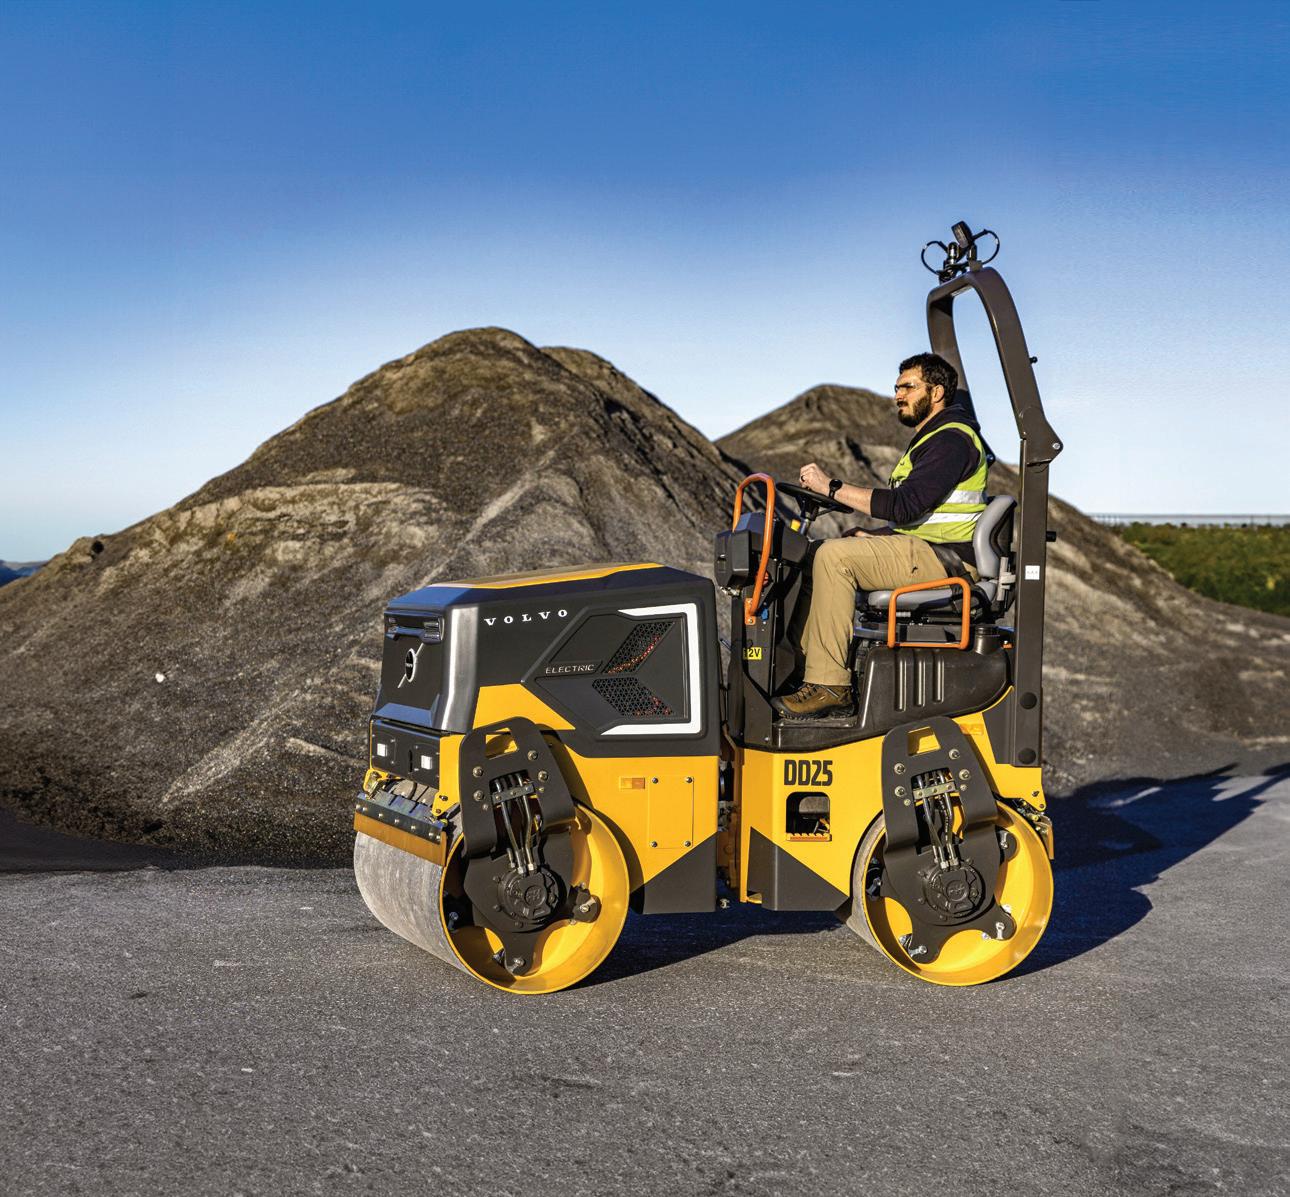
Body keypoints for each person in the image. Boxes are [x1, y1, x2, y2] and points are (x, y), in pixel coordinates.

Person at [773, 352, 990, 719]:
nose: (898, 395)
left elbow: (904, 505)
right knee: (812, 553)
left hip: (945, 559)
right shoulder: (933, 439)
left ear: (936, 392)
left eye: (908, 387)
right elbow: (920, 516)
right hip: (925, 549)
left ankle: (830, 685)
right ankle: (800, 666)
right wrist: (872, 534)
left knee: (835, 558)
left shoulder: (951, 441)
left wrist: (831, 488)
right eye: (897, 387)